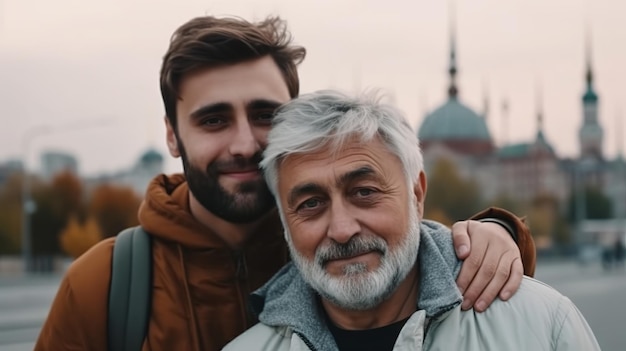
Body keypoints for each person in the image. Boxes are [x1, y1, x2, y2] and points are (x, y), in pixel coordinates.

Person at [35, 16, 536, 351]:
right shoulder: (103, 285)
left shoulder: (333, 242)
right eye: (213, 121)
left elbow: (428, 266)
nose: (244, 144)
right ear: (172, 134)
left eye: (265, 115)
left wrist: (497, 234)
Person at [224, 90, 599, 351]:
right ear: (285, 223)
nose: (341, 230)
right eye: (310, 203)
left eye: (364, 192)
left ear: (417, 195)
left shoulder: (544, 325)